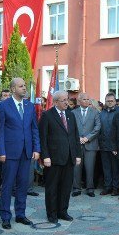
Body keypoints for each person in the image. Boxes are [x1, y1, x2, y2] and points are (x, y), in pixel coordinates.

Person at [0, 78, 40, 229]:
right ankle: (5, 216)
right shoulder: (3, 106)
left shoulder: (29, 106)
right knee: (8, 185)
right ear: (13, 89)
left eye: (25, 85)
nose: (24, 88)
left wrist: (36, 148)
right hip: (10, 152)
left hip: (27, 151)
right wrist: (1, 151)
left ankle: (20, 214)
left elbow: (34, 128)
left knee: (23, 184)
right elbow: (0, 130)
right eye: (21, 86)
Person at [39, 90, 80, 223]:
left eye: (67, 99)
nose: (66, 102)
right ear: (55, 102)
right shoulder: (47, 115)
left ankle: (63, 211)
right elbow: (43, 138)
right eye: (63, 100)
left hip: (69, 157)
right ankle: (52, 214)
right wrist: (45, 156)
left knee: (66, 187)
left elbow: (75, 136)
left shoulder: (70, 115)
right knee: (52, 187)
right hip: (53, 158)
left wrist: (77, 154)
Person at [71, 93, 101, 198]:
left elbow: (98, 127)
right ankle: (76, 188)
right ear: (79, 101)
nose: (87, 101)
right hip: (77, 143)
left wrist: (87, 138)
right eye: (85, 99)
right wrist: (77, 138)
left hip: (90, 144)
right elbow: (71, 127)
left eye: (88, 99)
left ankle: (90, 188)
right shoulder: (73, 112)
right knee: (76, 167)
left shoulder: (95, 112)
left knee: (90, 167)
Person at [98, 93, 119, 195]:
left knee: (115, 168)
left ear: (115, 101)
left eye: (111, 101)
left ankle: (116, 188)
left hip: (115, 146)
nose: (110, 102)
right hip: (103, 145)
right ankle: (108, 187)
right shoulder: (101, 113)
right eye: (108, 101)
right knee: (106, 167)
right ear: (105, 101)